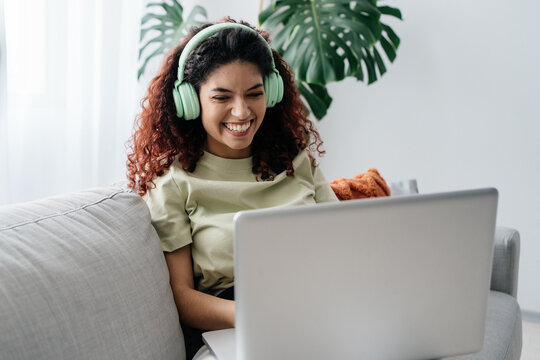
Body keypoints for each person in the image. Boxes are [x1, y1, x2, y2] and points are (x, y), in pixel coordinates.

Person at [126, 18, 338, 359]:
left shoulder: (296, 161)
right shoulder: (173, 181)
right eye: (221, 97)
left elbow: (344, 240)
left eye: (254, 94)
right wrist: (250, 316)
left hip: (319, 312)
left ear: (272, 92)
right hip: (235, 329)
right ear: (189, 101)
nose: (241, 111)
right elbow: (181, 297)